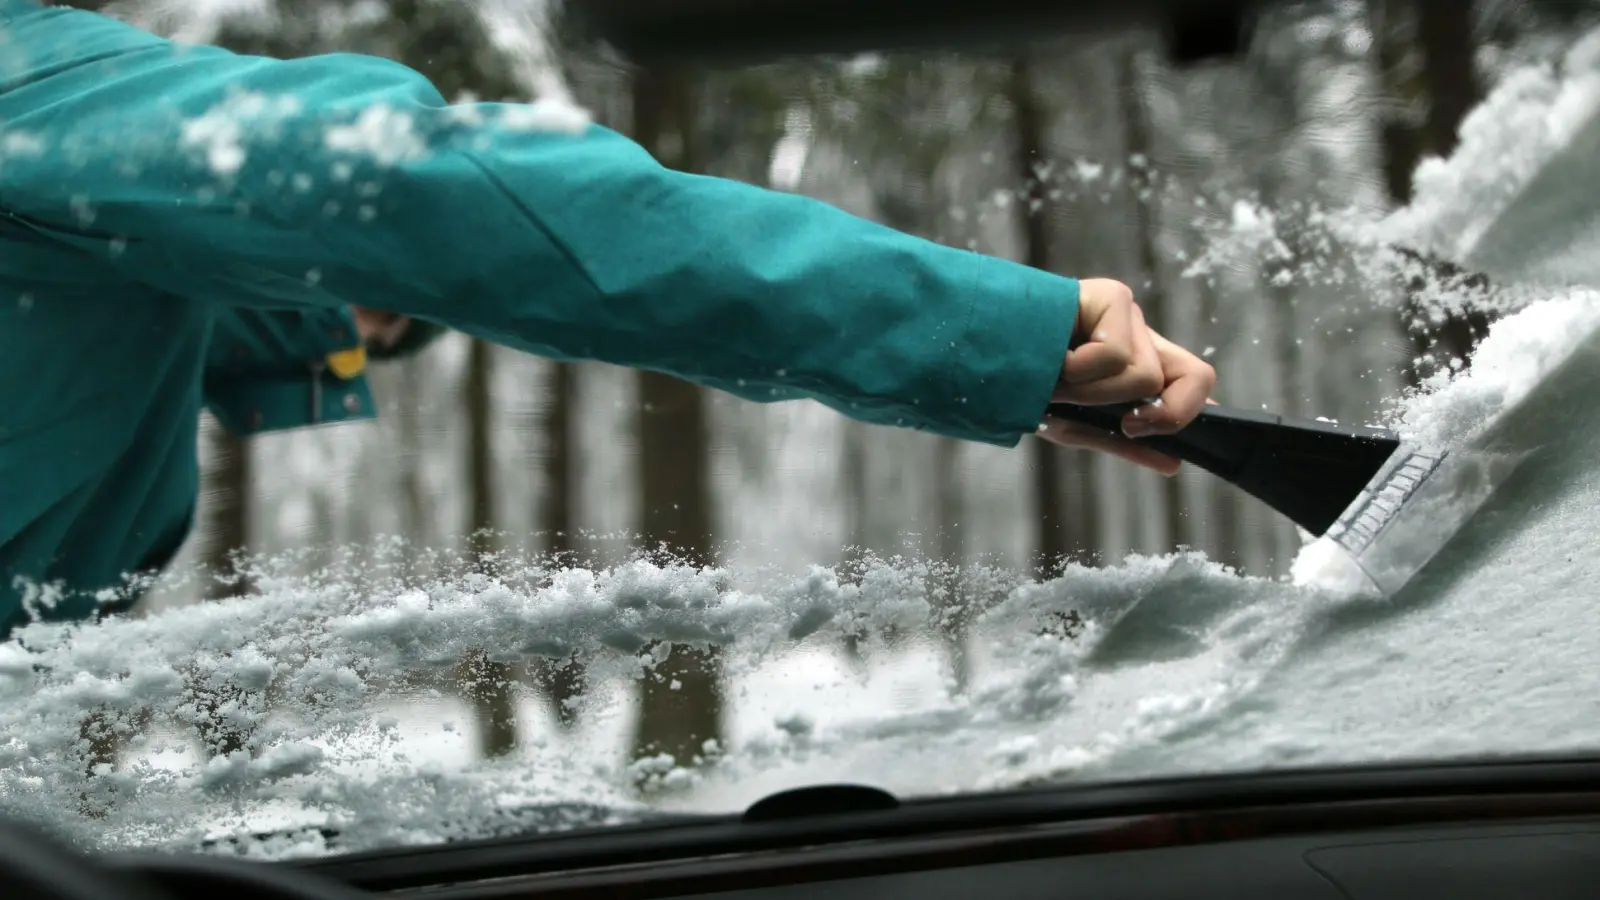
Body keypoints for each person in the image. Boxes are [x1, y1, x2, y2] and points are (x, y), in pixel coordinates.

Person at [0, 0, 1215, 639]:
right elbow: (417, 184)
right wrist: (998, 331)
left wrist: (356, 306)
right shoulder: (28, 81)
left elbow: (115, 321)